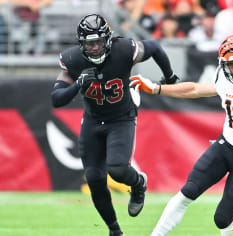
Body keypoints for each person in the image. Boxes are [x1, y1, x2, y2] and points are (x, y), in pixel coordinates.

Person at [130, 34, 233, 236]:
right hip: (226, 144)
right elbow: (195, 89)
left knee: (222, 219)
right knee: (188, 191)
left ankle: (231, 217)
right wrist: (156, 88)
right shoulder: (222, 76)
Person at [50, 13, 179, 236]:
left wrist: (169, 77)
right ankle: (115, 231)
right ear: (82, 44)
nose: (96, 48)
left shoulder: (124, 49)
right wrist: (78, 84)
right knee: (94, 178)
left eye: (99, 41)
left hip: (121, 118)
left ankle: (138, 183)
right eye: (90, 43)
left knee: (118, 170)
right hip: (92, 121)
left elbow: (154, 48)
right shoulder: (74, 61)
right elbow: (56, 99)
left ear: (108, 40)